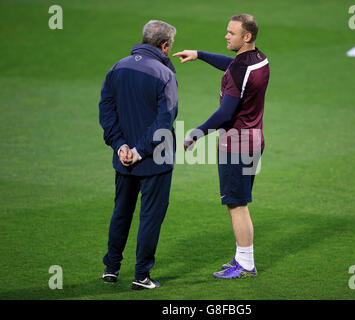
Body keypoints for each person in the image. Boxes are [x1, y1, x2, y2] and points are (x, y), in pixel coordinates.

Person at [173, 14, 269, 279]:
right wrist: (200, 54)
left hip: (236, 145)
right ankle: (242, 258)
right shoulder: (259, 59)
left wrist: (195, 134)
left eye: (231, 33)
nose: (226, 36)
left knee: (237, 204)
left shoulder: (240, 70)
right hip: (254, 140)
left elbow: (226, 113)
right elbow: (234, 66)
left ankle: (247, 264)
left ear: (246, 36)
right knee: (239, 202)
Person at [99, 20, 178, 290]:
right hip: (155, 160)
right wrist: (140, 151)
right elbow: (164, 121)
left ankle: (111, 268)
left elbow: (106, 111)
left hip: (123, 160)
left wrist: (121, 146)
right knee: (150, 217)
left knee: (121, 212)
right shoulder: (164, 75)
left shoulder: (117, 67)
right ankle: (141, 276)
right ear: (165, 46)